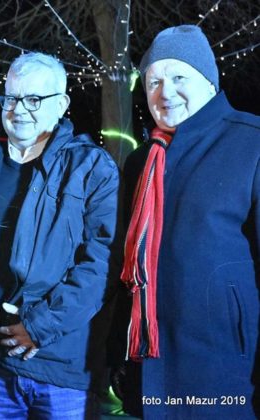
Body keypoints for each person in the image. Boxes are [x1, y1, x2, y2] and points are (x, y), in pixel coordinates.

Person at [0, 52, 119, 419]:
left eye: (34, 99)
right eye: (11, 97)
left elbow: (103, 263)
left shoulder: (90, 167)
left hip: (60, 365)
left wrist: (38, 327)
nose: (18, 109)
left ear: (61, 104)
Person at [119, 24, 260, 419]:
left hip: (227, 374)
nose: (165, 92)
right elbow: (129, 266)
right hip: (152, 370)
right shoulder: (141, 161)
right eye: (153, 82)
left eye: (179, 77)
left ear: (209, 82)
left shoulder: (251, 144)